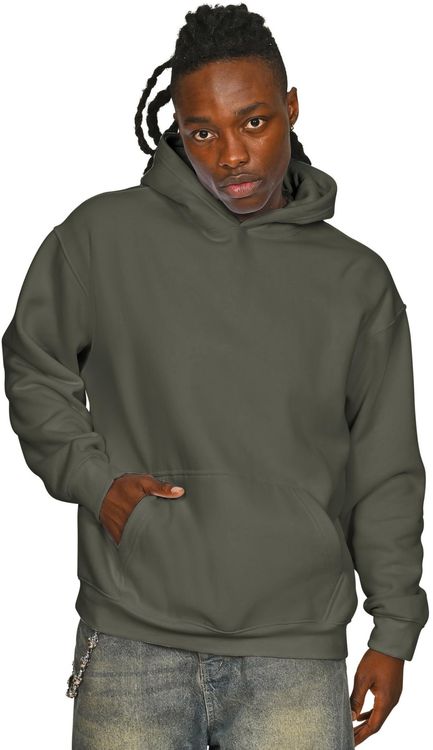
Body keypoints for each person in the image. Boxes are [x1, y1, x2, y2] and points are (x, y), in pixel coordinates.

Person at [1, 3, 428, 748]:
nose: (230, 155)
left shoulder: (356, 281)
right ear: (177, 127)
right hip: (131, 637)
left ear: (291, 108)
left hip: (294, 651)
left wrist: (393, 629)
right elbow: (34, 365)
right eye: (202, 132)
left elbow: (385, 466)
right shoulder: (102, 237)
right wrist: (95, 481)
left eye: (253, 122)